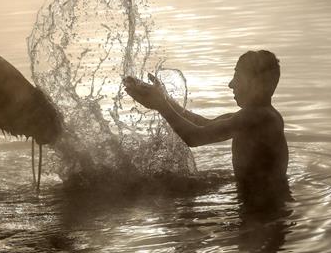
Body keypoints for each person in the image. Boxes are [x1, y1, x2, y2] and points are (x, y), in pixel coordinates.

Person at [124, 50, 290, 204]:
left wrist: (161, 105)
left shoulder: (258, 117)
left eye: (237, 77)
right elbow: (202, 123)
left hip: (265, 213)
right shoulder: (254, 116)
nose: (231, 84)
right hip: (258, 207)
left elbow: (195, 137)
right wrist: (165, 99)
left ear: (255, 84)